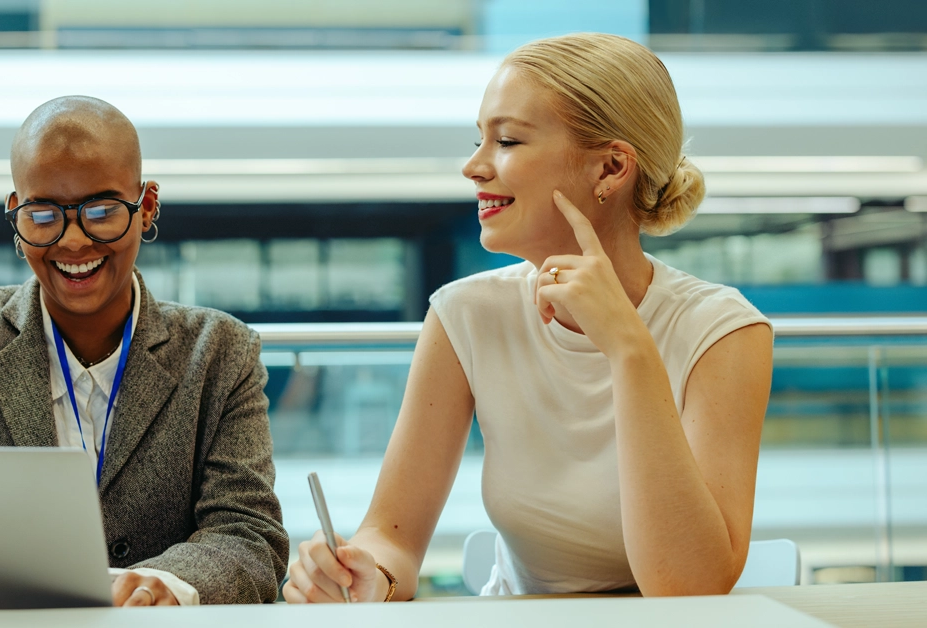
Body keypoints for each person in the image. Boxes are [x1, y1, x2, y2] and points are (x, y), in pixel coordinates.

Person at [284, 33, 773, 602]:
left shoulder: (723, 331)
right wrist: (372, 574)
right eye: (479, 141)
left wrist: (628, 348)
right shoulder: (464, 314)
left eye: (507, 140)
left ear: (611, 168)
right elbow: (392, 536)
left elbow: (688, 584)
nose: (473, 167)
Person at [0, 95, 288, 606]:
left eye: (102, 211)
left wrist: (166, 584)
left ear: (147, 205)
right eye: (43, 215)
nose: (72, 242)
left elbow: (249, 537)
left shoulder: (220, 352)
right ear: (15, 216)